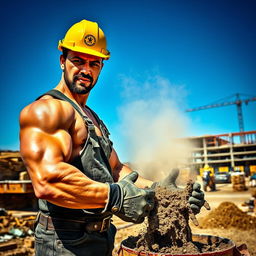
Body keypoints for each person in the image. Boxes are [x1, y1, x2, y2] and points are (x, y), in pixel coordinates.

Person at [19, 19, 206, 256]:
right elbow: (48, 180)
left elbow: (117, 170)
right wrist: (115, 197)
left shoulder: (92, 118)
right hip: (64, 242)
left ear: (101, 67)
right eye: (77, 60)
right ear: (62, 61)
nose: (86, 69)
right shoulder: (48, 110)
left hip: (101, 238)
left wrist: (165, 192)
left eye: (94, 63)